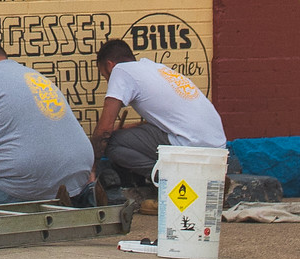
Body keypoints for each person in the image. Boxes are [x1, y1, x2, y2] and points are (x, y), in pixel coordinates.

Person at [0, 31, 97, 208]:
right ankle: (79, 197)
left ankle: (42, 201)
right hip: (76, 174)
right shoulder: (33, 76)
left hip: (25, 183)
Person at [91, 39, 226, 188]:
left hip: (192, 145)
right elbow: (168, 119)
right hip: (217, 147)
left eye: (105, 76)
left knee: (112, 142)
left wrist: (92, 168)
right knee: (123, 136)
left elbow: (104, 130)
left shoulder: (120, 71)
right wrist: (130, 127)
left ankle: (175, 179)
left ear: (110, 65)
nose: (108, 81)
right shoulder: (154, 68)